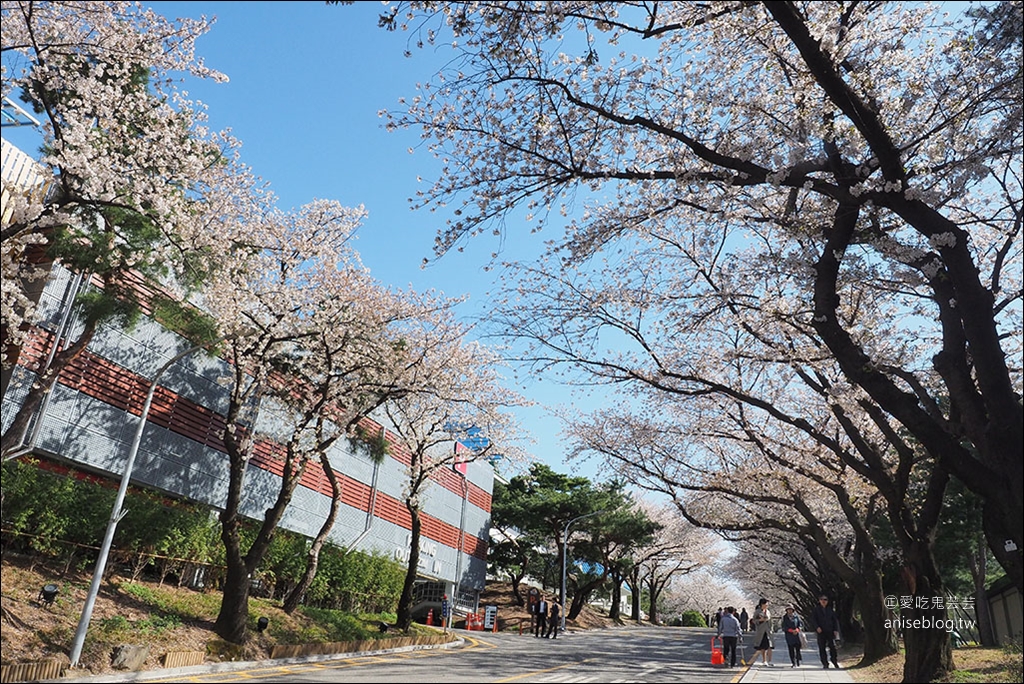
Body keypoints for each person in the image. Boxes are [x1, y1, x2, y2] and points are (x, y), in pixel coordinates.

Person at [812, 594, 840, 669]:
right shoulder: (816, 610)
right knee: (822, 647)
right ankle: (825, 663)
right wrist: (817, 627)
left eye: (825, 600)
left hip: (830, 631)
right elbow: (814, 620)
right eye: (822, 599)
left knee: (832, 647)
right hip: (821, 631)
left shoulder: (830, 610)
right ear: (819, 601)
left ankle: (834, 660)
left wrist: (835, 630)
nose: (823, 601)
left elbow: (835, 620)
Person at [752, 598, 775, 667]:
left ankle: (769, 660)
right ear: (762, 604)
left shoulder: (768, 611)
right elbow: (754, 620)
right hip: (761, 630)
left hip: (768, 630)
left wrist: (772, 629)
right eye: (766, 603)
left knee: (770, 646)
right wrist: (760, 620)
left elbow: (770, 621)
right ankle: (764, 660)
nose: (767, 605)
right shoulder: (757, 611)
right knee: (763, 646)